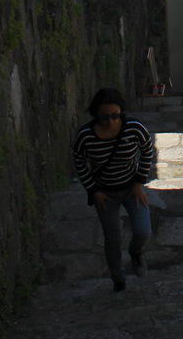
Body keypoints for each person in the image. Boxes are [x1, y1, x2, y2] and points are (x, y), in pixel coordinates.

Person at [73, 87, 154, 292]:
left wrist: (138, 183)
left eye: (115, 116)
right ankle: (118, 279)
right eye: (104, 117)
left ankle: (135, 252)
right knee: (112, 238)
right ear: (96, 114)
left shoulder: (133, 128)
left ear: (121, 112)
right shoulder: (86, 136)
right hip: (105, 193)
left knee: (143, 230)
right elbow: (79, 161)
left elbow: (147, 150)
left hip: (130, 188)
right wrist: (93, 190)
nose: (110, 121)